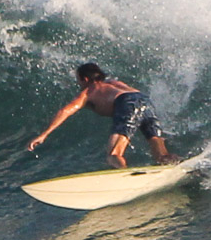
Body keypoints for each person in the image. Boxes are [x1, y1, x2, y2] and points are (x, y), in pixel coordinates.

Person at [27, 63, 181, 168]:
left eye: (79, 80)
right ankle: (175, 165)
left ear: (85, 79)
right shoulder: (114, 83)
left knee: (113, 154)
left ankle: (124, 177)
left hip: (126, 103)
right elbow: (134, 98)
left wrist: (44, 134)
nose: (79, 84)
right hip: (144, 100)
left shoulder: (88, 92)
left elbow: (65, 111)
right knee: (160, 151)